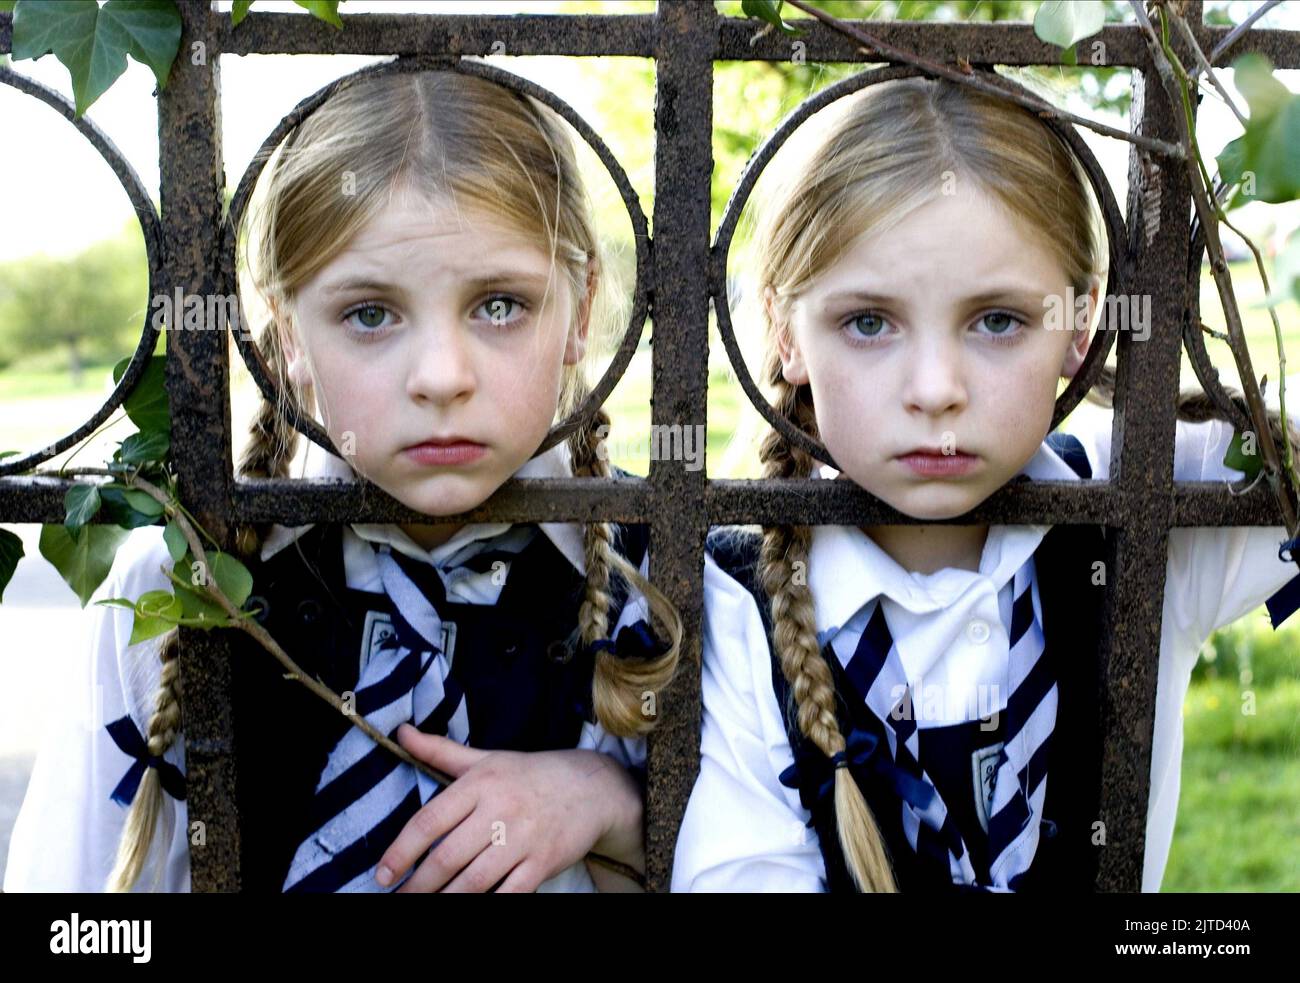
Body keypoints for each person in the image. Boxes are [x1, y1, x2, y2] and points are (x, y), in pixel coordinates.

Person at [5, 68, 681, 894]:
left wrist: (612, 803)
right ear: (287, 336)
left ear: (579, 316)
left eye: (500, 304)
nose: (440, 376)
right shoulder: (174, 580)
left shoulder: (663, 574)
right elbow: (77, 900)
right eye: (370, 313)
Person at [671, 76, 1299, 893]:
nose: (936, 389)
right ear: (786, 332)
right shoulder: (737, 599)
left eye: (998, 320)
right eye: (869, 322)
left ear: (1080, 325)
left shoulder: (1144, 494)